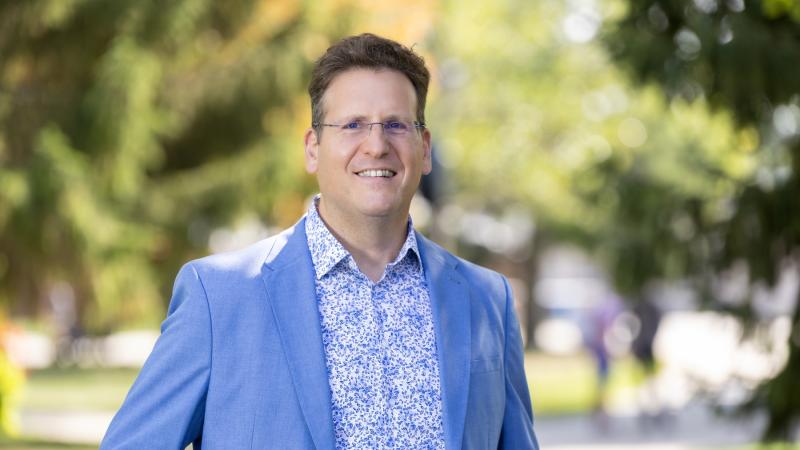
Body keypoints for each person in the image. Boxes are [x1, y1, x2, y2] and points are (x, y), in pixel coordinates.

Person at [101, 33, 538, 450]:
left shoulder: (486, 301)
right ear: (313, 148)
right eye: (352, 124)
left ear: (424, 149)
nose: (376, 145)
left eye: (395, 125)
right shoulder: (219, 296)